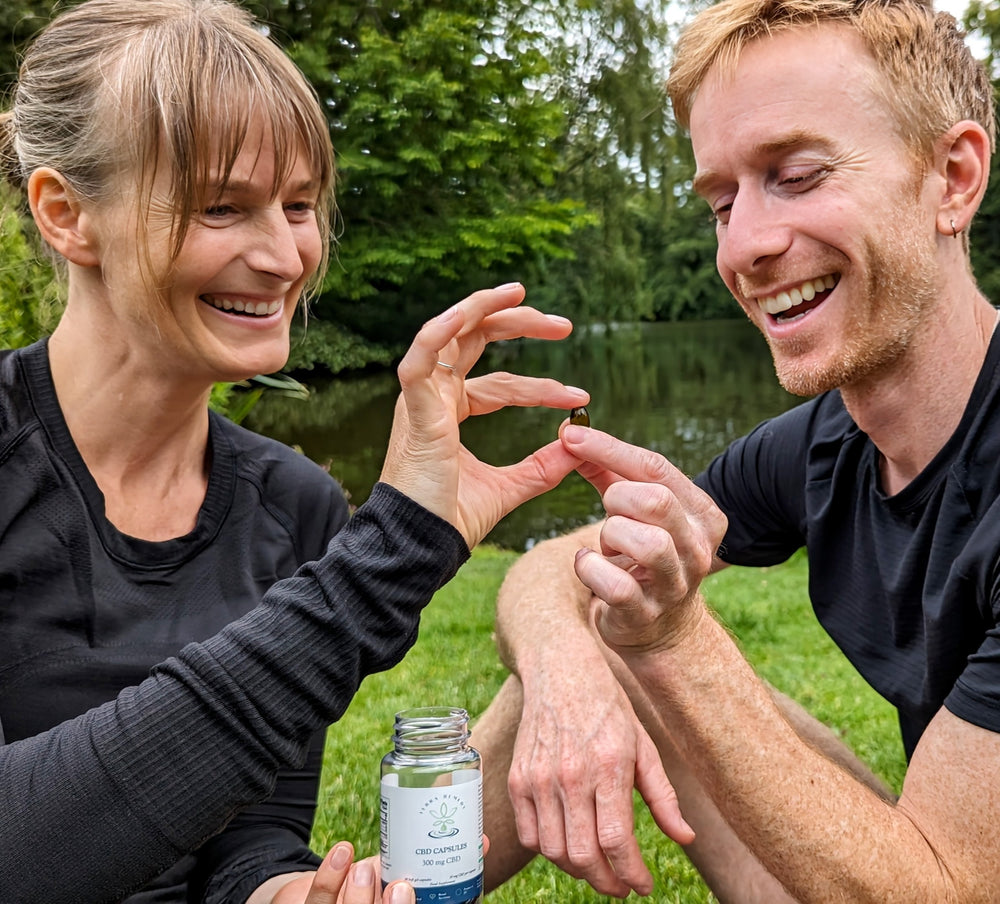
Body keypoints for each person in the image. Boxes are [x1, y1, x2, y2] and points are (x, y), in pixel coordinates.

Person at [0, 1, 597, 902]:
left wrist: (277, 890)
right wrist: (381, 567)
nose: (284, 256)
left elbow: (254, 834)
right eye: (221, 206)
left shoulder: (295, 506)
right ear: (66, 214)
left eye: (299, 206)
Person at [472, 0, 1000, 901]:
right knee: (604, 616)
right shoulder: (826, 443)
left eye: (794, 175)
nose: (745, 246)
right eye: (722, 202)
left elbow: (947, 888)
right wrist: (567, 663)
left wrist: (671, 641)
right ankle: (405, 885)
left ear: (952, 177)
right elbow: (554, 566)